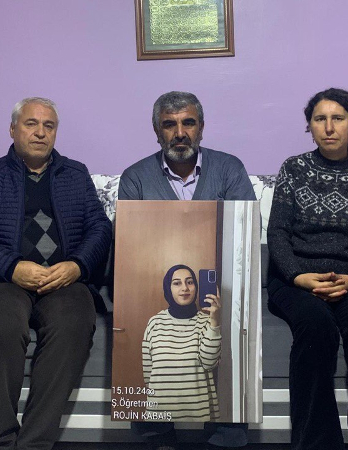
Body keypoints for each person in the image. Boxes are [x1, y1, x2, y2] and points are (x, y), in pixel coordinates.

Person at [0, 97, 112, 449]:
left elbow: (99, 228)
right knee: (2, 325)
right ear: (13, 129)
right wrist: (11, 267)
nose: (40, 133)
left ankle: (34, 442)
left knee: (75, 324)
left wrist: (77, 265)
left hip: (63, 282)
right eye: (31, 124)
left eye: (49, 126)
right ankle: (0, 440)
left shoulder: (75, 174)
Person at [119, 91, 255, 449]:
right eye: (169, 125)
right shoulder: (135, 177)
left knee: (230, 321)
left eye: (188, 123)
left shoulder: (229, 169)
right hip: (157, 276)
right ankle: (155, 436)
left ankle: (226, 437)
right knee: (140, 319)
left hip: (220, 278)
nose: (180, 133)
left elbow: (244, 235)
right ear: (157, 131)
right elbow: (129, 245)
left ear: (201, 128)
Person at [266, 88, 348, 450]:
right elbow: (277, 233)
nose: (328, 127)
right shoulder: (293, 170)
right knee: (316, 325)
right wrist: (298, 276)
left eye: (338, 118)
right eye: (319, 119)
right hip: (296, 277)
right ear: (310, 126)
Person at [143, 265, 221, 421]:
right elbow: (148, 375)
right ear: (168, 288)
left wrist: (214, 322)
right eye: (177, 283)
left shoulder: (206, 322)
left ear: (196, 287)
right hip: (160, 415)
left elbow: (209, 363)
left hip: (198, 413)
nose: (185, 288)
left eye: (190, 282)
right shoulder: (155, 323)